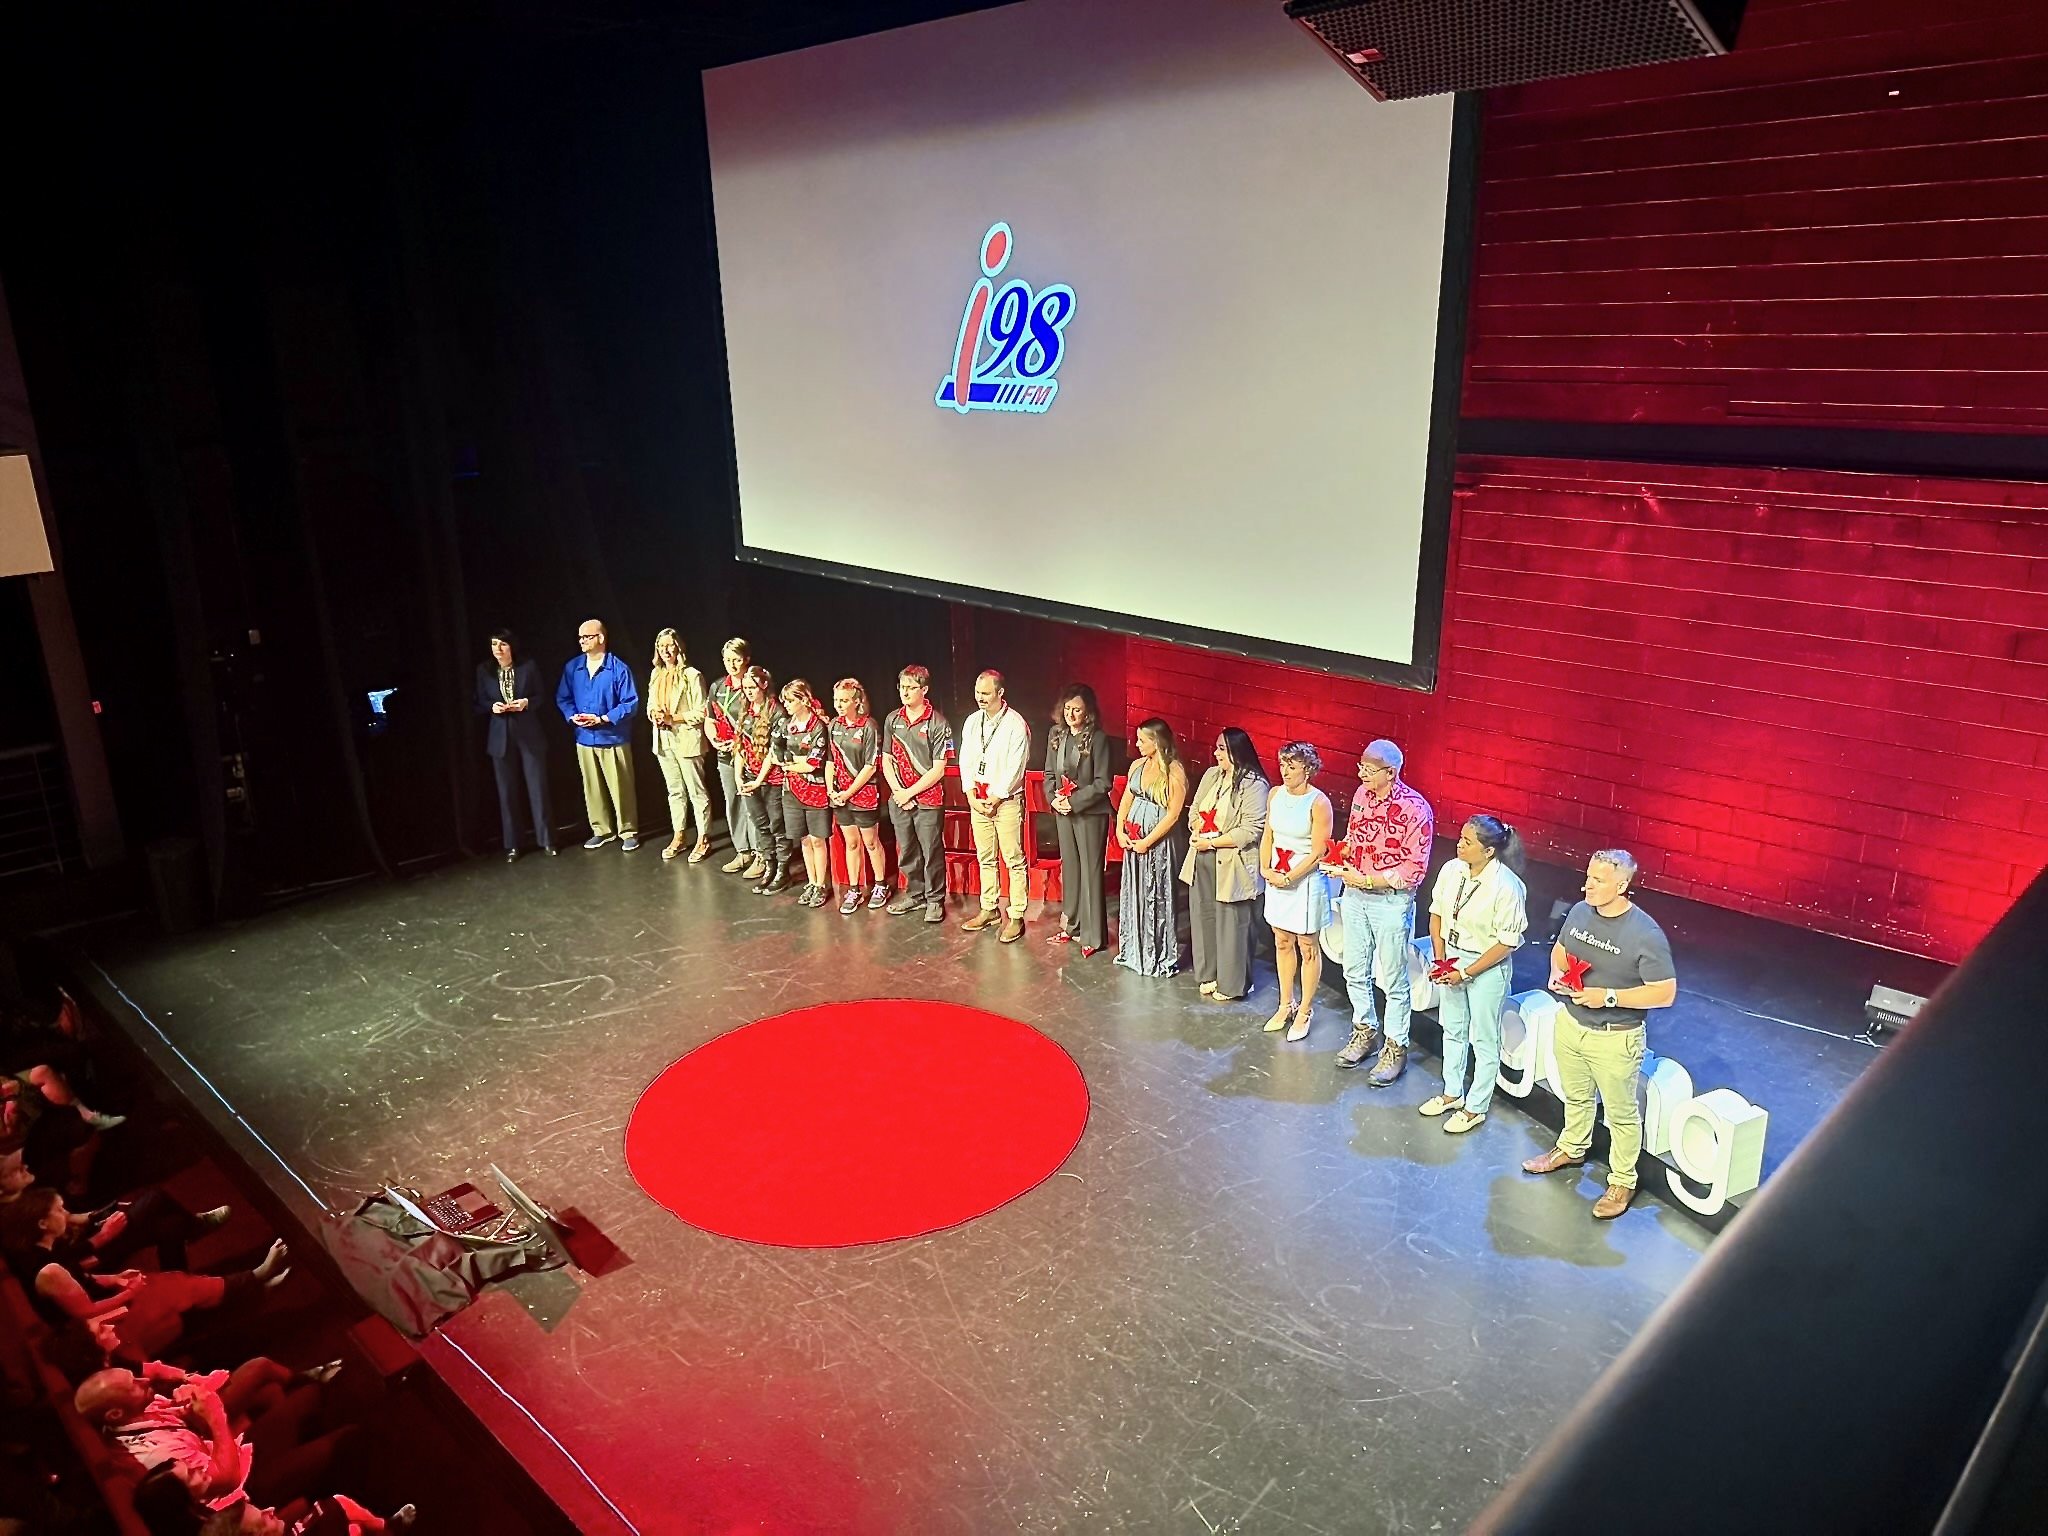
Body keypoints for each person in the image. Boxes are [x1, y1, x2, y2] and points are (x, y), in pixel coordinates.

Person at [1522, 849, 1679, 1219]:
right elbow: (1561, 949)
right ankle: (1572, 1147)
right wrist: (1556, 972)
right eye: (1588, 876)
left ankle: (1623, 1180)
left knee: (1621, 1114)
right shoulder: (1579, 911)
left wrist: (1607, 996)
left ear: (1622, 885)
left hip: (1614, 1036)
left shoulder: (1645, 933)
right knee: (1575, 1096)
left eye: (1598, 880)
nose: (1587, 885)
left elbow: (1665, 992)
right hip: (1571, 1023)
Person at [3, 1187, 291, 1364]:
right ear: (43, 1223)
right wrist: (129, 1293)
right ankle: (255, 1277)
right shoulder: (49, 1269)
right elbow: (85, 1313)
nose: (65, 1214)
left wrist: (116, 1280)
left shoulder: (47, 1252)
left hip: (110, 1304)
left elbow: (82, 1278)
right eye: (60, 1210)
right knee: (176, 1287)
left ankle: (252, 1283)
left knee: (174, 1279)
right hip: (107, 1327)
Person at [1328, 739, 1434, 1085]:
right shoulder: (1361, 796)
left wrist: (1369, 879)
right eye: (1360, 767)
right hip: (1355, 894)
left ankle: (1396, 1046)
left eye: (1368, 770)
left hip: (1390, 902)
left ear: (1391, 772)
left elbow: (1414, 870)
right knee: (1354, 967)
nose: (1361, 774)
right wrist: (1342, 857)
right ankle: (1364, 1030)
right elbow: (1355, 840)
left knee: (1392, 978)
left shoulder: (1416, 809)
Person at [1419, 817, 1530, 1135]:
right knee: (1452, 1028)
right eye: (1461, 838)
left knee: (1484, 1037)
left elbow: (1506, 943)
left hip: (1486, 967)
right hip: (1452, 957)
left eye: (1468, 842)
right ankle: (1452, 1092)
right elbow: (1437, 913)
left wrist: (1466, 972)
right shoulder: (1451, 870)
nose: (1459, 844)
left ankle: (1475, 1106)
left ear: (1490, 850)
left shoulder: (1507, 887)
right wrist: (1441, 960)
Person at [1181, 728, 1270, 1002]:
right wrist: (1197, 829)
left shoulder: (1255, 784)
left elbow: (1252, 829)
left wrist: (1215, 842)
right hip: (1202, 856)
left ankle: (1233, 984)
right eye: (1217, 748)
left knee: (1233, 923)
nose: (1216, 753)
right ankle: (1209, 973)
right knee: (1204, 915)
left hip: (1232, 860)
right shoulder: (1211, 775)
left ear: (1236, 751)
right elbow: (1195, 810)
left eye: (1222, 749)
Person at [1259, 743, 1332, 1042]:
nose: (1285, 771)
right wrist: (1266, 869)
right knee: (1282, 941)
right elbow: (1268, 835)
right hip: (1277, 877)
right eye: (1282, 765)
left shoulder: (1319, 802)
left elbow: (1318, 851)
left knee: (1307, 945)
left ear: (1308, 768)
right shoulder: (1275, 794)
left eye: (1292, 766)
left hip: (1304, 881)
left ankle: (1304, 1010)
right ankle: (1284, 1004)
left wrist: (1290, 877)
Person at [959, 670, 1033, 943]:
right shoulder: (971, 722)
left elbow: (1017, 766)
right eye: (978, 693)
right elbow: (966, 758)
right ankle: (989, 909)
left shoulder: (1015, 724)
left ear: (1000, 693)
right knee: (985, 857)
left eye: (986, 693)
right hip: (978, 800)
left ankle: (1016, 915)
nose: (980, 698)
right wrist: (969, 794)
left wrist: (998, 797)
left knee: (1013, 858)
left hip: (1006, 802)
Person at [555, 619, 641, 851]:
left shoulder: (617, 668)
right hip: (584, 738)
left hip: (613, 738)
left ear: (600, 638)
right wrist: (573, 717)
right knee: (592, 788)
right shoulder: (573, 668)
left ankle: (628, 830)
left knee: (621, 788)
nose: (582, 641)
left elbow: (630, 703)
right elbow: (563, 698)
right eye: (580, 637)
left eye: (587, 637)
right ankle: (601, 830)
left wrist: (603, 718)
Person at [1114, 718, 1188, 976]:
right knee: (1134, 891)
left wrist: (1148, 841)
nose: (1137, 744)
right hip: (1134, 842)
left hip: (1158, 844)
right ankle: (1133, 948)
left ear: (1157, 742)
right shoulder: (1137, 765)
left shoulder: (1174, 771)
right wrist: (1119, 829)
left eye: (1142, 741)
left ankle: (1156, 953)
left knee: (1156, 893)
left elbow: (1173, 814)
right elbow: (1127, 798)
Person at [473, 629, 553, 863]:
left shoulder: (528, 666)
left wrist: (526, 703)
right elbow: (478, 702)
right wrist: (492, 707)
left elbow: (541, 696)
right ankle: (513, 845)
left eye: (503, 645)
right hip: (500, 736)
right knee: (507, 793)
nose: (498, 650)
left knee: (538, 787)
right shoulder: (484, 671)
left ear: (512, 647)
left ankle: (547, 839)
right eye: (494, 645)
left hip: (528, 733)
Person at [1043, 684, 1112, 955]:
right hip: (1063, 811)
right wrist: (1055, 800)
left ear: (1088, 712)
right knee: (1070, 868)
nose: (1071, 714)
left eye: (1078, 710)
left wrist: (1072, 802)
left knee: (1091, 872)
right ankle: (1071, 925)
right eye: (1068, 709)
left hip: (1089, 814)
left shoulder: (1098, 739)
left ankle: (1094, 937)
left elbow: (1102, 783)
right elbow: (1049, 772)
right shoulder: (1056, 734)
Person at [881, 665, 953, 925]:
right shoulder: (893, 719)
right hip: (900, 799)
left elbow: (939, 768)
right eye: (902, 687)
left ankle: (935, 900)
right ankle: (915, 894)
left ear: (924, 689)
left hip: (928, 800)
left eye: (911, 687)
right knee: (907, 849)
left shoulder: (938, 723)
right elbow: (886, 759)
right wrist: (899, 793)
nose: (905, 692)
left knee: (931, 850)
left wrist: (911, 792)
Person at [647, 629, 714, 863]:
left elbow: (702, 711)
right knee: (675, 791)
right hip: (663, 740)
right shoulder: (656, 674)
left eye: (669, 646)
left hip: (686, 739)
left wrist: (673, 718)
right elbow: (649, 706)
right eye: (661, 646)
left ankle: (703, 837)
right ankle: (679, 835)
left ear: (679, 647)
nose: (665, 651)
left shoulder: (692, 675)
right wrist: (654, 714)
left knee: (696, 792)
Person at [827, 679, 889, 916]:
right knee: (851, 843)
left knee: (871, 842)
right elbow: (831, 760)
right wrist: (832, 789)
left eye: (844, 701)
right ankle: (854, 889)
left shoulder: (869, 727)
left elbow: (871, 766)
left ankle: (881, 885)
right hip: (840, 796)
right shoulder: (834, 725)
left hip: (863, 794)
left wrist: (848, 791)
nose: (839, 705)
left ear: (857, 701)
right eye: (837, 701)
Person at [774, 679, 835, 908]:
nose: (786, 706)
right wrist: (788, 762)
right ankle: (812, 881)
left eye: (790, 701)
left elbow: (813, 764)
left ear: (803, 700)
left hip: (815, 790)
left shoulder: (818, 726)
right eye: (784, 701)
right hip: (791, 790)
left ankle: (821, 883)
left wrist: (790, 764)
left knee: (818, 839)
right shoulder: (785, 725)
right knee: (804, 840)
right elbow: (776, 750)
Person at [731, 665, 788, 892]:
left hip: (771, 780)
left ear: (764, 685)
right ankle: (769, 865)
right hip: (750, 778)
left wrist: (759, 780)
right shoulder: (745, 711)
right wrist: (739, 777)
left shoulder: (777, 713)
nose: (748, 692)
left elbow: (774, 753)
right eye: (745, 688)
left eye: (752, 687)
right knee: (761, 826)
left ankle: (783, 870)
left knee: (777, 825)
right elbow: (740, 749)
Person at [708, 638, 755, 874]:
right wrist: (714, 740)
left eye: (737, 660)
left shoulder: (754, 684)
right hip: (726, 754)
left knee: (752, 801)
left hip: (750, 754)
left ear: (746, 659)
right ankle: (742, 851)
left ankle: (760, 854)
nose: (732, 665)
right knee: (733, 801)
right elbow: (710, 720)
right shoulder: (718, 687)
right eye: (728, 660)